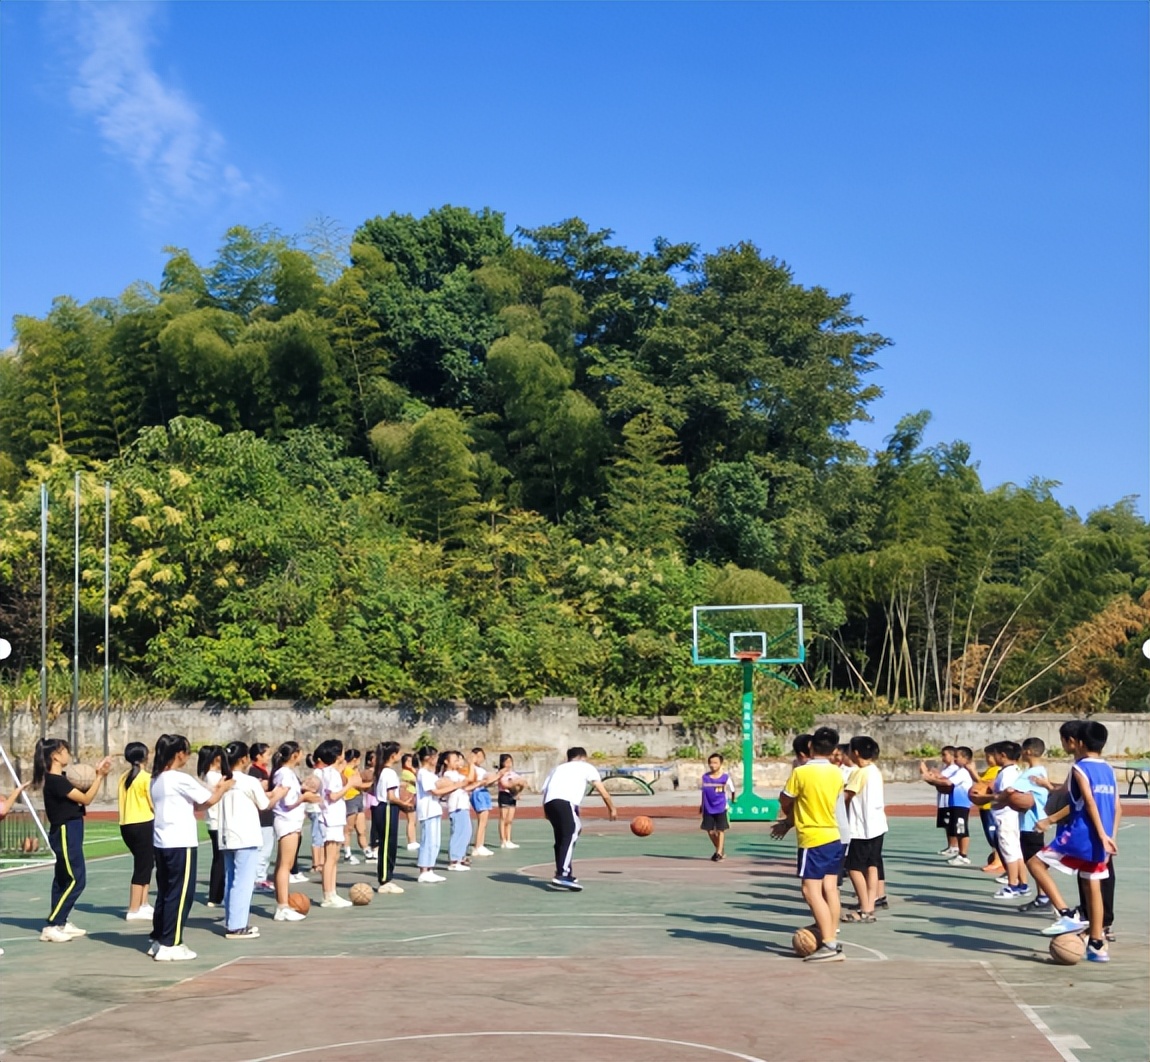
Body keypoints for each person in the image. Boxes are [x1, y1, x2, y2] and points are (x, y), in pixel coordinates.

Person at [1027, 720, 1119, 962]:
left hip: (1081, 833)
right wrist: (1109, 837)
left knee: (1036, 864)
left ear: (1078, 742)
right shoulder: (1109, 769)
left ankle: (1066, 913)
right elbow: (1117, 806)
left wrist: (1049, 821)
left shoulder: (1080, 769)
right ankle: (1097, 944)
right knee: (1093, 886)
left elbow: (1087, 802)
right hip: (1103, 839)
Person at [150, 733, 233, 961]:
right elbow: (208, 800)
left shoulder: (156, 778)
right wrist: (224, 787)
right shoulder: (178, 778)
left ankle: (159, 939)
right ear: (179, 754)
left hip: (162, 840)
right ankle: (171, 943)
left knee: (166, 893)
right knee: (181, 894)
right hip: (180, 842)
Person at [771, 726, 844, 963]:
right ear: (834, 749)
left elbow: (786, 798)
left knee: (810, 891)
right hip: (833, 835)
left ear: (811, 746)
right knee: (830, 888)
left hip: (813, 838)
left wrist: (787, 816)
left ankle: (830, 944)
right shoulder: (837, 774)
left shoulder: (801, 773)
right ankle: (832, 935)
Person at [33, 738, 112, 943]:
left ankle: (62, 921)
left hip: (71, 828)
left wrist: (95, 774)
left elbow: (82, 791)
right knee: (77, 878)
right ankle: (52, 924)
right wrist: (100, 778)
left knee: (62, 879)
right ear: (55, 756)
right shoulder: (56, 781)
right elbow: (86, 799)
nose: (68, 753)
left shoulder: (64, 778)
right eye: (65, 750)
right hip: (65, 831)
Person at [219, 741, 287, 940]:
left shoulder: (224, 780)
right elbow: (265, 804)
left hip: (227, 835)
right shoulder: (248, 781)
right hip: (245, 836)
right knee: (243, 882)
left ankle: (233, 921)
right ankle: (237, 926)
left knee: (231, 880)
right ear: (244, 759)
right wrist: (279, 794)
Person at [541, 747, 618, 891]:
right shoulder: (586, 767)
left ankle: (566, 872)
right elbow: (601, 790)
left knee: (561, 838)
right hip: (565, 802)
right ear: (583, 757)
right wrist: (611, 808)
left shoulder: (557, 768)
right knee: (572, 831)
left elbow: (546, 790)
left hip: (550, 803)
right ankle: (562, 874)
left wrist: (545, 811)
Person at [271, 740, 317, 921]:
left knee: (283, 864)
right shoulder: (285, 774)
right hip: (287, 822)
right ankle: (282, 906)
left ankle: (282, 904)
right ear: (295, 755)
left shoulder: (285, 773)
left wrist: (302, 791)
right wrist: (304, 798)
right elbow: (288, 802)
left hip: (289, 821)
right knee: (285, 865)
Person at [843, 736, 887, 923]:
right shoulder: (874, 770)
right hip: (877, 826)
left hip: (861, 828)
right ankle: (870, 904)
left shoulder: (859, 773)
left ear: (856, 753)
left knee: (853, 867)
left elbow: (846, 796)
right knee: (872, 865)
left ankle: (865, 908)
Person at [313, 739, 361, 907]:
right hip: (331, 818)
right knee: (330, 858)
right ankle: (328, 895)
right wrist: (350, 784)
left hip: (332, 817)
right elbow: (333, 796)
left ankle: (331, 892)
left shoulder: (326, 771)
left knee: (333, 857)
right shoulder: (331, 774)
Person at [1009, 738, 1051, 914]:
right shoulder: (1040, 770)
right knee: (1036, 862)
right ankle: (1044, 897)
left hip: (1031, 824)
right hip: (1033, 822)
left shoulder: (1031, 774)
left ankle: (1048, 899)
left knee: (1035, 864)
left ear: (1027, 752)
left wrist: (994, 798)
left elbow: (1011, 791)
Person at [987, 741, 1030, 900]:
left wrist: (992, 799)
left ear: (1002, 755)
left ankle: (1012, 885)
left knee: (1009, 852)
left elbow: (1009, 794)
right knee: (1016, 851)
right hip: (1012, 816)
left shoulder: (1006, 773)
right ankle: (1023, 884)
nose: (994, 757)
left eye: (995, 754)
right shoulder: (1015, 769)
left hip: (1005, 816)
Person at [414, 746, 464, 883]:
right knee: (428, 841)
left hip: (435, 809)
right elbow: (434, 791)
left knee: (435, 842)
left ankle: (430, 869)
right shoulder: (423, 773)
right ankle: (424, 870)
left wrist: (452, 788)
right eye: (435, 757)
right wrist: (455, 786)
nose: (437, 760)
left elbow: (439, 791)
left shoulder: (431, 774)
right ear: (427, 758)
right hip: (427, 810)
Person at [118, 741, 155, 922]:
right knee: (142, 866)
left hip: (126, 825)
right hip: (143, 823)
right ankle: (134, 908)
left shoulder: (123, 777)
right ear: (145, 756)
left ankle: (144, 903)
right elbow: (152, 803)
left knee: (147, 863)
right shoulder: (145, 778)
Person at [371, 741, 411, 894]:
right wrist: (404, 804)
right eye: (399, 753)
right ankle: (385, 879)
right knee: (388, 844)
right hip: (388, 808)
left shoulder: (381, 771)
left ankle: (386, 878)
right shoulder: (389, 773)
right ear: (393, 755)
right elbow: (391, 797)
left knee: (387, 843)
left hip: (383, 808)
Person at [197, 745, 226, 907]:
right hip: (217, 820)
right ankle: (215, 896)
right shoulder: (212, 776)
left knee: (219, 858)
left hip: (213, 820)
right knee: (220, 859)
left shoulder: (207, 775)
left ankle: (216, 895)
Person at [919, 746, 960, 857]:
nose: (942, 757)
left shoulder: (954, 769)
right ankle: (951, 845)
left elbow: (940, 780)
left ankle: (954, 846)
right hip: (943, 800)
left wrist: (927, 773)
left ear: (952, 756)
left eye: (944, 754)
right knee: (946, 825)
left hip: (949, 800)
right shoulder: (946, 769)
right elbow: (935, 781)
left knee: (951, 824)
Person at [247, 742, 276, 892]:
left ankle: (260, 877)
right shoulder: (254, 772)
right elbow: (260, 790)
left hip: (266, 815)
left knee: (266, 849)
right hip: (262, 816)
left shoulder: (262, 771)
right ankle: (259, 879)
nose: (269, 757)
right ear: (258, 756)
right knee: (263, 850)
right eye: (267, 754)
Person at [442, 751, 475, 872]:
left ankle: (460, 857)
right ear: (446, 761)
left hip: (462, 806)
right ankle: (454, 860)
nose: (458, 762)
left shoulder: (456, 774)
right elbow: (469, 779)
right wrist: (471, 764)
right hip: (457, 807)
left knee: (466, 832)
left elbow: (468, 783)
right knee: (459, 832)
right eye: (455, 760)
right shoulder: (449, 774)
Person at [942, 747, 976, 866]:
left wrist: (930, 778)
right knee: (958, 828)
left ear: (965, 758)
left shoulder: (963, 772)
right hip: (956, 803)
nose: (955, 759)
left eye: (957, 756)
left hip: (961, 803)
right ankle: (961, 854)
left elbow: (948, 782)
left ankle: (963, 855)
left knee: (961, 829)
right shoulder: (960, 770)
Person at [700, 753, 735, 861]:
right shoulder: (705, 777)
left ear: (720, 764)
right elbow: (704, 792)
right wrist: (702, 805)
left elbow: (732, 790)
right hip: (708, 807)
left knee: (720, 830)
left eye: (715, 763)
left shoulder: (725, 777)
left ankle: (719, 853)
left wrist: (732, 801)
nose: (712, 765)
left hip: (721, 807)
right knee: (710, 831)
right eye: (710, 763)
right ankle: (719, 849)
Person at [468, 748, 498, 857]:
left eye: (482, 756)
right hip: (478, 793)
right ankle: (478, 846)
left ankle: (480, 844)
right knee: (482, 820)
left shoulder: (481, 769)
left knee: (484, 821)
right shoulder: (472, 768)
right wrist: (497, 776)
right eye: (478, 756)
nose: (480, 759)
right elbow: (478, 782)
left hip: (484, 792)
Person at [341, 748, 368, 865]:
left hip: (358, 798)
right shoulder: (347, 770)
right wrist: (374, 783)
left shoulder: (354, 770)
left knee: (361, 828)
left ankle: (366, 850)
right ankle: (347, 852)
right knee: (349, 828)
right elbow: (359, 785)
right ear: (355, 759)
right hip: (350, 799)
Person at [497, 754, 525, 849]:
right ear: (502, 763)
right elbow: (505, 784)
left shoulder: (513, 773)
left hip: (512, 796)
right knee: (503, 819)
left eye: (510, 762)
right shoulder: (501, 773)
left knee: (509, 820)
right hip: (504, 795)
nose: (509, 764)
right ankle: (503, 840)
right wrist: (515, 783)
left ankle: (508, 840)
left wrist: (517, 790)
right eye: (507, 762)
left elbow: (523, 782)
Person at [401, 753, 419, 851]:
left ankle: (413, 840)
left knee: (413, 820)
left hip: (413, 796)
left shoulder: (410, 772)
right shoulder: (406, 772)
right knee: (411, 820)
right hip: (409, 797)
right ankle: (411, 842)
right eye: (407, 761)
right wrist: (413, 770)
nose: (410, 763)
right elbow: (417, 780)